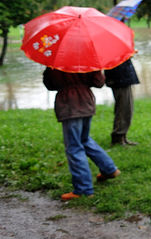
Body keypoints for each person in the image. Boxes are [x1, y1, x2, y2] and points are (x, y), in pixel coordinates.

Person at [43, 67, 121, 201]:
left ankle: (84, 189)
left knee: (74, 146)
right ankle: (109, 169)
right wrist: (96, 69)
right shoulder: (87, 59)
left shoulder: (56, 62)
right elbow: (99, 82)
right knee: (84, 139)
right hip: (86, 101)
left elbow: (50, 85)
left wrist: (49, 71)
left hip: (69, 105)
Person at [105, 43, 140, 146]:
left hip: (124, 78)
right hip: (119, 79)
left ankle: (123, 136)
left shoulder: (117, 42)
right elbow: (112, 61)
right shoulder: (109, 44)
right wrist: (126, 54)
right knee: (122, 108)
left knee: (127, 108)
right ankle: (118, 136)